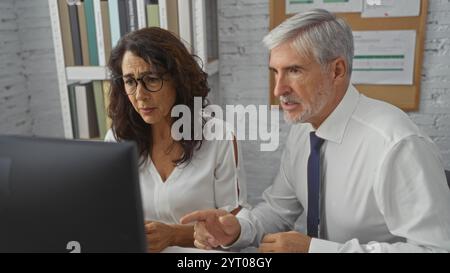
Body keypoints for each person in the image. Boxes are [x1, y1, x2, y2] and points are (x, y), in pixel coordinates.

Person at [181, 9, 450, 253]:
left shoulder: (397, 145)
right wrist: (239, 229)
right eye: (275, 72)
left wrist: (316, 251)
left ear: (337, 70)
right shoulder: (305, 128)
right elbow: (278, 209)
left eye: (294, 70)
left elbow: (436, 250)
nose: (278, 90)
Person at [105, 27, 247, 252]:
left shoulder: (217, 137)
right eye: (130, 82)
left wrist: (173, 236)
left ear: (177, 79)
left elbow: (232, 231)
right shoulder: (117, 139)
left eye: (151, 79)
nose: (140, 95)